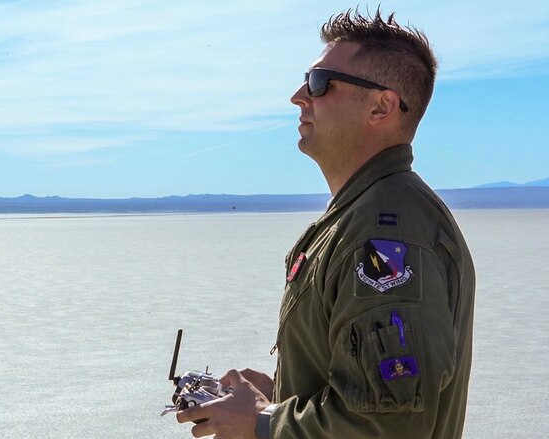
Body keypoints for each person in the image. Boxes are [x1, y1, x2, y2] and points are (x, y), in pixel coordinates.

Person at [176, 8, 476, 439]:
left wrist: (260, 423)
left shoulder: (383, 233)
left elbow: (388, 423)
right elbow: (363, 392)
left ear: (381, 106)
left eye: (320, 83)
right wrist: (279, 394)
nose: (299, 95)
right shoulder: (357, 216)